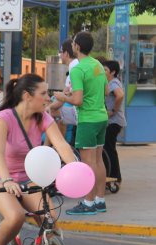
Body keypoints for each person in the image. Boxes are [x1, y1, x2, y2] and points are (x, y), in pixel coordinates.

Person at [0, 74, 76, 245]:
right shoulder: (5, 117)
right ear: (27, 95)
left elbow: (61, 145)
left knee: (51, 223)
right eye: (43, 93)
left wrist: (74, 168)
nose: (48, 98)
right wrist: (7, 180)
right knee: (15, 216)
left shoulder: (43, 117)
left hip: (28, 178)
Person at [54, 32, 108, 215]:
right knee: (99, 159)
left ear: (76, 47)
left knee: (87, 163)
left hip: (87, 120)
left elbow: (77, 100)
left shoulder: (77, 69)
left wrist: (62, 96)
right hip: (101, 117)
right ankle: (100, 200)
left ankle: (88, 202)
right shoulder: (98, 65)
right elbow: (106, 90)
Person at [47, 39, 79, 143]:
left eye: (60, 52)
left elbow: (62, 99)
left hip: (80, 113)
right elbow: (65, 94)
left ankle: (58, 148)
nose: (60, 55)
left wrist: (48, 108)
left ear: (65, 53)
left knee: (49, 118)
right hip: (89, 112)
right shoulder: (74, 66)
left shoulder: (74, 68)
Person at [102, 60, 126, 187]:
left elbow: (120, 95)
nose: (103, 71)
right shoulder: (108, 83)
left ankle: (115, 177)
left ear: (113, 72)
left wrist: (113, 111)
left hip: (114, 122)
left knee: (109, 149)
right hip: (111, 122)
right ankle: (112, 176)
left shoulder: (114, 82)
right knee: (107, 149)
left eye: (105, 70)